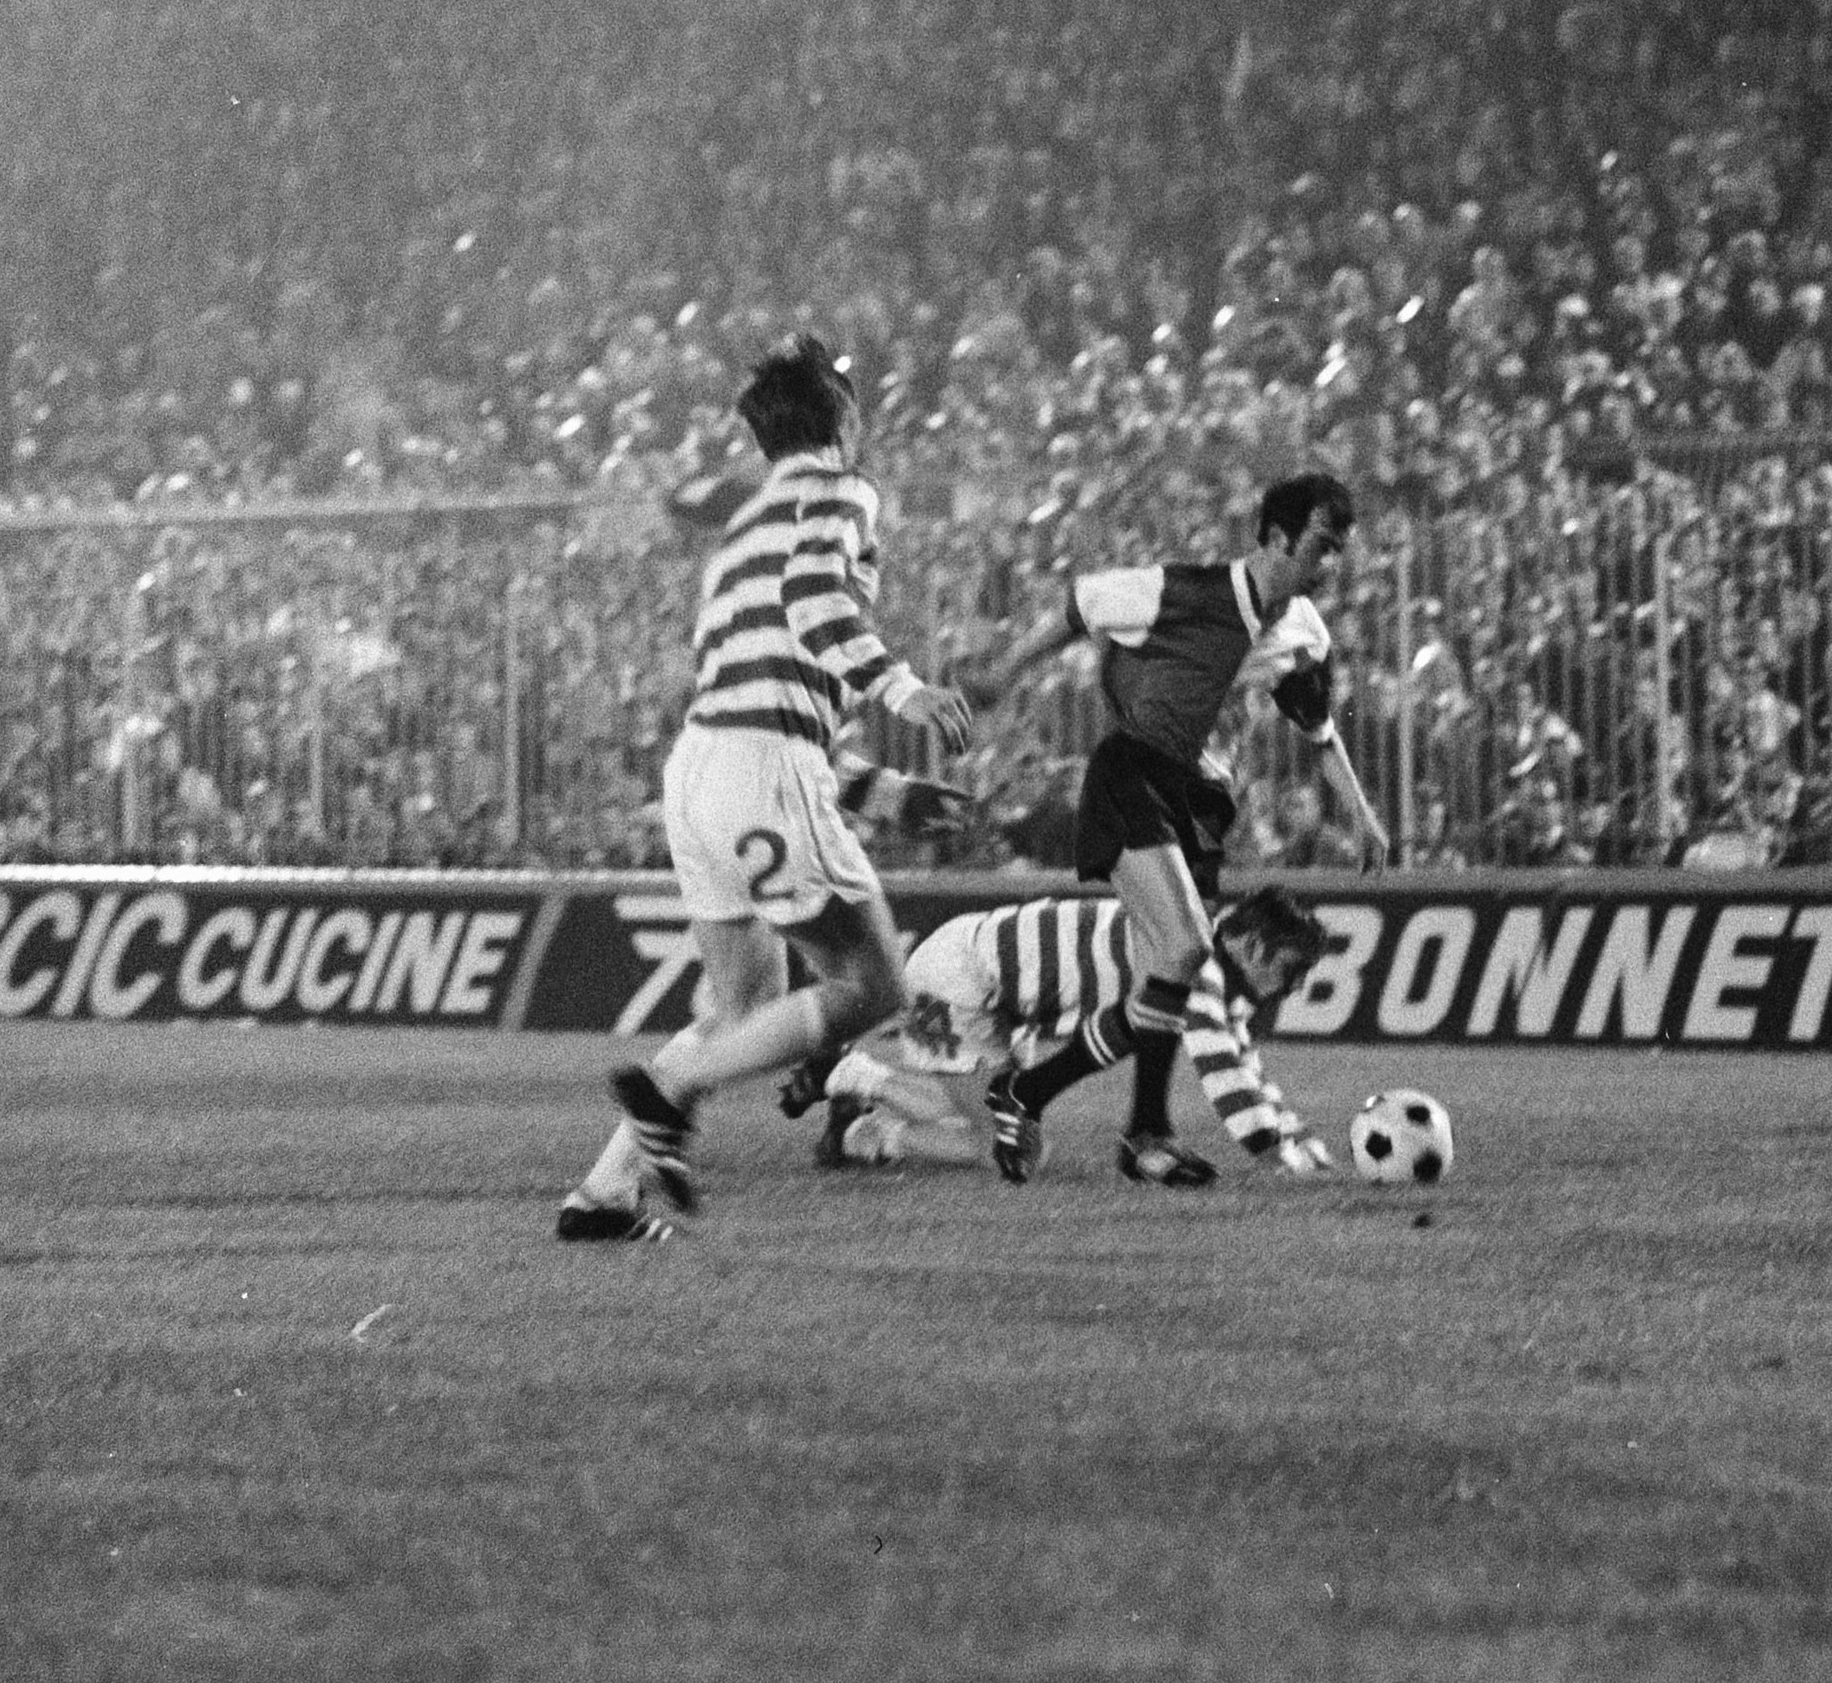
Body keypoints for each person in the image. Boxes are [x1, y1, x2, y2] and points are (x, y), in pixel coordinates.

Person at [555, 337, 975, 1243]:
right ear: (844, 420)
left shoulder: (742, 526)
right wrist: (904, 690)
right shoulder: (842, 491)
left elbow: (770, 695)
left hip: (700, 770)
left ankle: (602, 1197)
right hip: (761, 767)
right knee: (870, 984)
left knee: (741, 1008)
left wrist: (887, 795)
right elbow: (817, 602)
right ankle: (670, 1089)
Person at [962, 471, 1388, 1188]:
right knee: (1186, 948)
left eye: (1339, 550)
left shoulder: (1302, 632)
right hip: (1133, 774)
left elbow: (1317, 728)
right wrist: (1004, 673)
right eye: (1321, 545)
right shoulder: (1188, 591)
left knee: (1161, 985)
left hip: (1202, 806)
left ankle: (1031, 1093)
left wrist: (1363, 815)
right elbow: (1083, 602)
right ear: (1277, 537)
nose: (1331, 565)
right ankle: (1145, 1136)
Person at [812, 886, 1337, 1176]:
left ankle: (857, 1077)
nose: (1294, 985)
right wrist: (1273, 1152)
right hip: (957, 980)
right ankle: (864, 1132)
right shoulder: (1193, 965)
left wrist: (1297, 1136)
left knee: (1000, 1123)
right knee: (1002, 1146)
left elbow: (1242, 1058)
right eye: (1293, 969)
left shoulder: (1193, 940)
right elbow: (1222, 1068)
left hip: (984, 978)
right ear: (1252, 946)